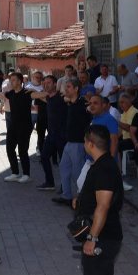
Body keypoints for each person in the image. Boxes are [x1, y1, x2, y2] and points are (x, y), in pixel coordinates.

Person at [75, 125, 124, 275]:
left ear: (90, 144)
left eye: (85, 141)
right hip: (106, 234)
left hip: (102, 236)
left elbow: (103, 206)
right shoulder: (104, 164)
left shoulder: (104, 168)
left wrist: (92, 239)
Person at [0, 72, 37, 183]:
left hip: (25, 126)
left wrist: (36, 90)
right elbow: (0, 95)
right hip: (13, 126)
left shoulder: (27, 93)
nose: (11, 82)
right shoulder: (11, 93)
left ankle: (26, 174)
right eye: (10, 80)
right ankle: (15, 173)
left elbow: (41, 95)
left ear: (20, 81)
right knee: (9, 149)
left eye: (13, 80)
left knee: (22, 151)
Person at [50, 77, 91, 205]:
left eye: (68, 87)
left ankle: (82, 199)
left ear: (76, 89)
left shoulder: (83, 103)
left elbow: (91, 118)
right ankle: (66, 196)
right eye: (65, 87)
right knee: (64, 168)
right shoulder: (70, 103)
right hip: (69, 142)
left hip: (78, 143)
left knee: (77, 172)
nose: (65, 89)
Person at [26, 71, 47, 154]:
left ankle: (38, 149)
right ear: (33, 77)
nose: (38, 79)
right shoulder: (27, 87)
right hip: (30, 114)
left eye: (40, 77)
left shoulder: (43, 87)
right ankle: (25, 149)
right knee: (27, 132)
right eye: (37, 77)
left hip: (41, 114)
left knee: (40, 133)